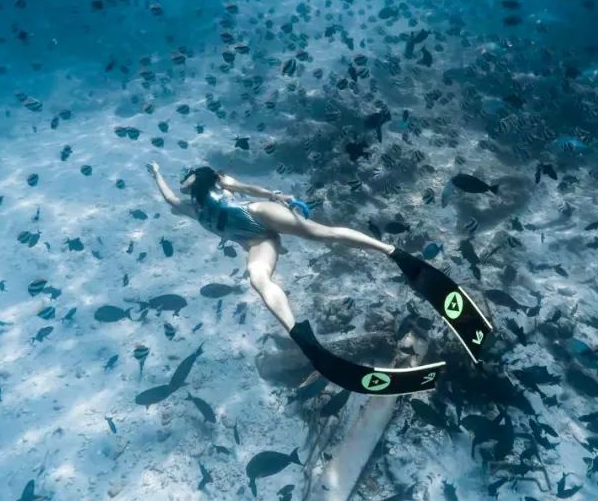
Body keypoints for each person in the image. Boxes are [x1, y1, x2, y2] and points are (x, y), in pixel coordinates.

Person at [147, 162, 492, 393]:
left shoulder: (220, 184)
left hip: (256, 214)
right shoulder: (192, 207)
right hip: (256, 240)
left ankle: (392, 252)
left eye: (192, 184)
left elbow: (243, 186)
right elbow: (168, 198)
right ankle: (300, 335)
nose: (190, 190)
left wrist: (275, 196)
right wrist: (156, 172)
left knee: (321, 234)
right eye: (190, 188)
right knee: (256, 277)